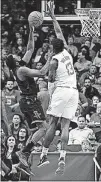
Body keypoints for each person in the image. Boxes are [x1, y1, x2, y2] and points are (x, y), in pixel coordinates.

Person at [37, 1, 79, 175]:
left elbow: (48, 75)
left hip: (61, 90)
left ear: (53, 49)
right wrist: (53, 17)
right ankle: (62, 157)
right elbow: (59, 32)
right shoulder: (67, 51)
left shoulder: (54, 60)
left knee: (53, 123)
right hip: (74, 92)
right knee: (66, 125)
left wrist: (47, 61)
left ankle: (44, 155)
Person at [6, 25, 51, 173]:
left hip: (27, 101)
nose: (17, 54)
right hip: (30, 101)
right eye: (14, 55)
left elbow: (30, 49)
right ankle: (24, 152)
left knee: (36, 131)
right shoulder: (21, 69)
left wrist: (31, 31)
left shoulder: (19, 66)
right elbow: (42, 71)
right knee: (44, 128)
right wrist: (50, 58)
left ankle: (22, 160)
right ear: (14, 60)